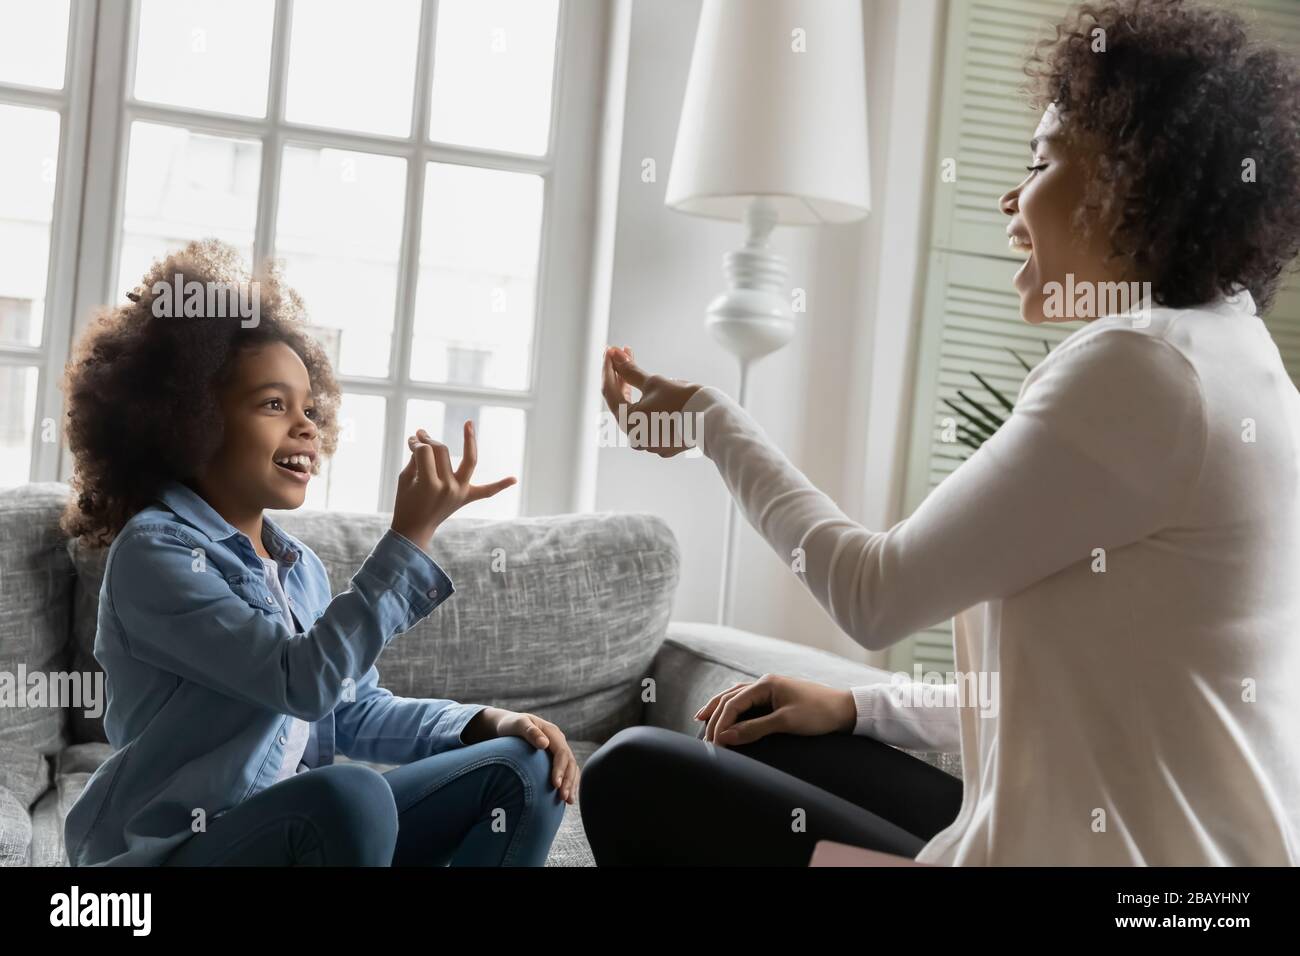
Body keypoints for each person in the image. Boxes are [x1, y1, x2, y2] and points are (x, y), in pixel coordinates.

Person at [580, 0, 1300, 866]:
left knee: (633, 775)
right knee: (773, 742)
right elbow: (1079, 688)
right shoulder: (1230, 354)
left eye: (1038, 163)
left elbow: (873, 594)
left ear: (1127, 177)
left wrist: (707, 421)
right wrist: (855, 708)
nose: (1010, 196)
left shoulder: (1141, 372)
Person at [60, 239, 576, 866]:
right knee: (349, 796)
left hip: (294, 842)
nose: (306, 426)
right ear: (189, 418)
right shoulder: (155, 552)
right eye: (274, 404)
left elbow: (350, 709)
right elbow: (298, 681)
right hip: (175, 855)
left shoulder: (297, 566)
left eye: (308, 408)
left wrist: (483, 721)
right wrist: (408, 540)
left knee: (524, 767)